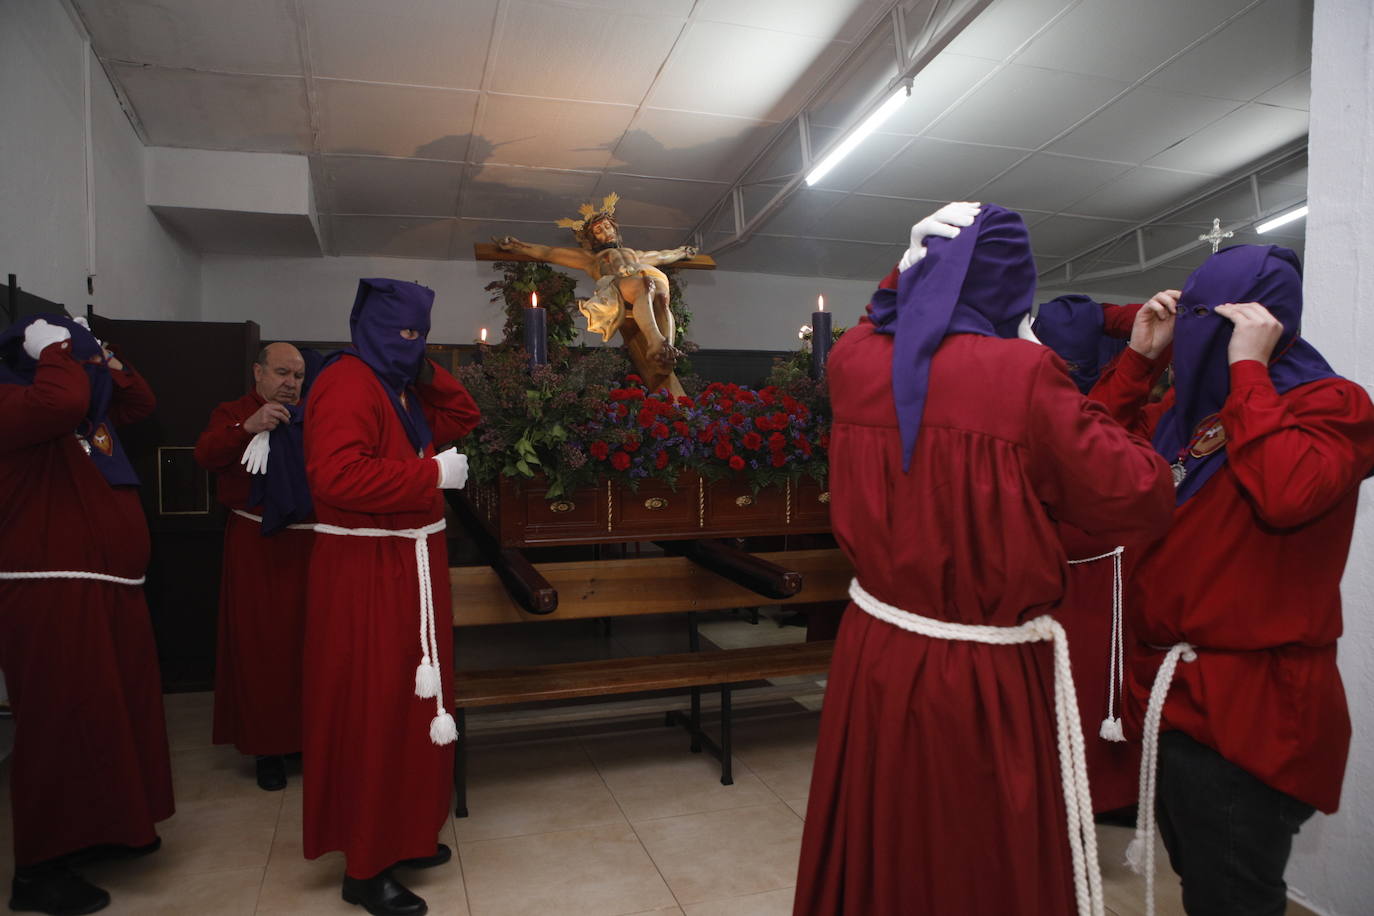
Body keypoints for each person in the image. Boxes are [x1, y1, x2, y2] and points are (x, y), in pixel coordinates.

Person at [793, 203, 1176, 916]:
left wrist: (902, 270)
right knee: (975, 852)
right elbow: (1141, 494)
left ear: (921, 266)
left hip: (873, 652)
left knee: (888, 833)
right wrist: (1065, 360)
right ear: (1014, 286)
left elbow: (886, 320)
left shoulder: (852, 360)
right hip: (977, 671)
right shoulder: (1022, 376)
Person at [1089, 245, 1374, 916]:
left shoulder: (1332, 405)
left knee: (1233, 894)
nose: (1193, 336)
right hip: (1172, 697)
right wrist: (1139, 360)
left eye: (1205, 322)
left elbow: (1285, 490)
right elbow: (1087, 465)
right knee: (1204, 881)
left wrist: (1250, 370)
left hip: (1254, 710)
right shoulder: (1187, 419)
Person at [302, 279, 480, 916]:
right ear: (370, 329)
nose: (412, 345)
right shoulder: (348, 383)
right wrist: (430, 473)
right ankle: (364, 863)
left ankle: (403, 833)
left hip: (406, 563)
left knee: (411, 708)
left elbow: (463, 417)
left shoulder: (394, 384)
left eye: (422, 335)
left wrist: (423, 367)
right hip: (366, 568)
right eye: (403, 334)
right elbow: (335, 474)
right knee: (373, 709)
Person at [0, 315, 174, 915]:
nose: (88, 369)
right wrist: (55, 347)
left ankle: (100, 832)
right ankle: (40, 870)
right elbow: (60, 397)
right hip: (51, 591)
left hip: (105, 588)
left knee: (107, 720)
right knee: (58, 726)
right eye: (77, 357)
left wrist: (105, 355)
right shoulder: (17, 402)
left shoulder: (86, 417)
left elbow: (141, 399)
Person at [1030, 293, 1160, 819]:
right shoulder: (1045, 408)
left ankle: (1114, 794)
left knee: (1115, 684)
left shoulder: (1141, 404)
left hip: (1125, 575)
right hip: (1065, 577)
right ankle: (1072, 793)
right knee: (1069, 687)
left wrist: (1097, 315)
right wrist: (1107, 322)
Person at [194, 342, 312, 791]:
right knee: (263, 647)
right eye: (282, 373)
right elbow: (206, 455)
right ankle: (268, 748)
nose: (291, 383)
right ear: (258, 373)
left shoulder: (313, 414)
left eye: (298, 376)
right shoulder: (234, 411)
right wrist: (248, 427)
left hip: (309, 546)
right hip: (257, 545)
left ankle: (304, 736)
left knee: (308, 644)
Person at [494, 192, 698, 395]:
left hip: (645, 276)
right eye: (599, 230)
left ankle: (668, 349)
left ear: (615, 229)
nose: (606, 232)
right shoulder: (590, 258)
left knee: (661, 298)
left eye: (608, 227)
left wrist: (682, 252)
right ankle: (655, 342)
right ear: (592, 238)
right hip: (621, 285)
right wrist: (516, 245)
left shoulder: (635, 254)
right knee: (646, 284)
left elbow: (662, 256)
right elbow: (549, 252)